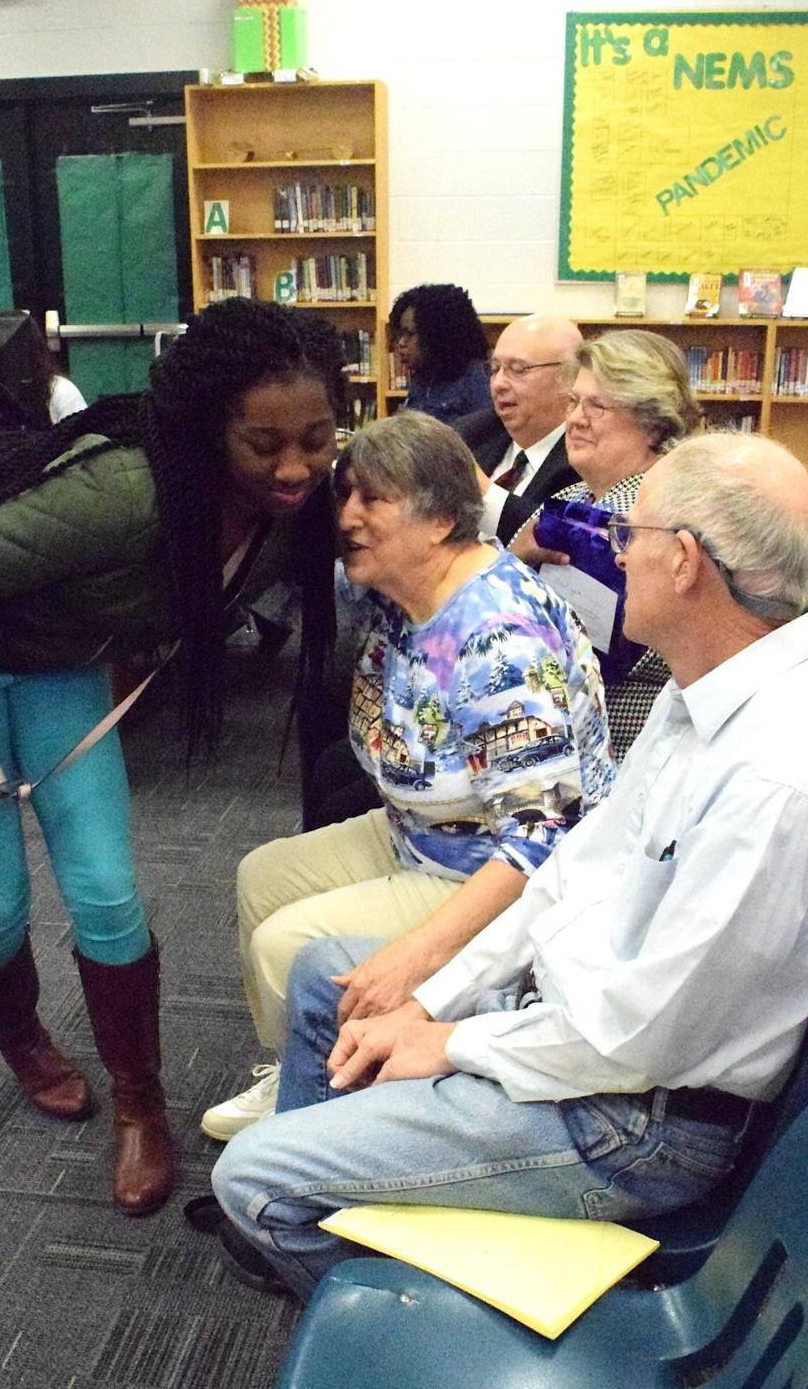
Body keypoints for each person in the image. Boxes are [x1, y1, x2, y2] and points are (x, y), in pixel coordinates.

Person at [208, 430, 808, 1298]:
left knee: (251, 1178)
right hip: (587, 1027)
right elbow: (575, 864)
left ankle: (417, 1308)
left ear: (684, 561)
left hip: (634, 1122)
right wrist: (433, 993)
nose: (614, 556)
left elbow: (639, 1036)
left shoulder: (780, 777)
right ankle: (364, 1188)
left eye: (629, 538)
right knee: (328, 973)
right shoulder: (707, 689)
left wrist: (453, 1039)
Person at [0, 297, 345, 1217]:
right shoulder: (122, 488)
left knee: (108, 892)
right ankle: (25, 1041)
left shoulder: (290, 509)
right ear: (209, 428)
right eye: (264, 442)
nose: (295, 466)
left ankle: (141, 1107)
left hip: (62, 682)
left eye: (317, 438)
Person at [199, 411, 614, 1142]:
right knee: (260, 877)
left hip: (493, 874)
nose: (349, 517)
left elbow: (542, 840)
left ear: (441, 521)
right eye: (348, 495)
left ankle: (335, 1099)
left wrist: (416, 956)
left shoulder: (497, 640)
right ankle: (307, 1058)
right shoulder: (404, 586)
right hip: (419, 832)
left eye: (374, 500)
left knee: (285, 945)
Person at [517, 329, 703, 757]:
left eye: (597, 406)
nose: (575, 419)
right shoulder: (570, 499)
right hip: (557, 714)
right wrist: (513, 560)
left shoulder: (659, 517)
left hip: (623, 733)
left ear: (653, 423)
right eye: (573, 402)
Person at [454, 314, 584, 544]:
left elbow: (559, 538)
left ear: (569, 377)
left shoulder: (584, 455)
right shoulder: (469, 434)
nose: (499, 383)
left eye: (518, 369)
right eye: (495, 369)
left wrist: (481, 491)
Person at [390, 285, 492, 425]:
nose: (401, 342)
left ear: (436, 336)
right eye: (400, 334)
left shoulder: (477, 378)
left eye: (410, 334)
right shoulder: (421, 378)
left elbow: (488, 440)